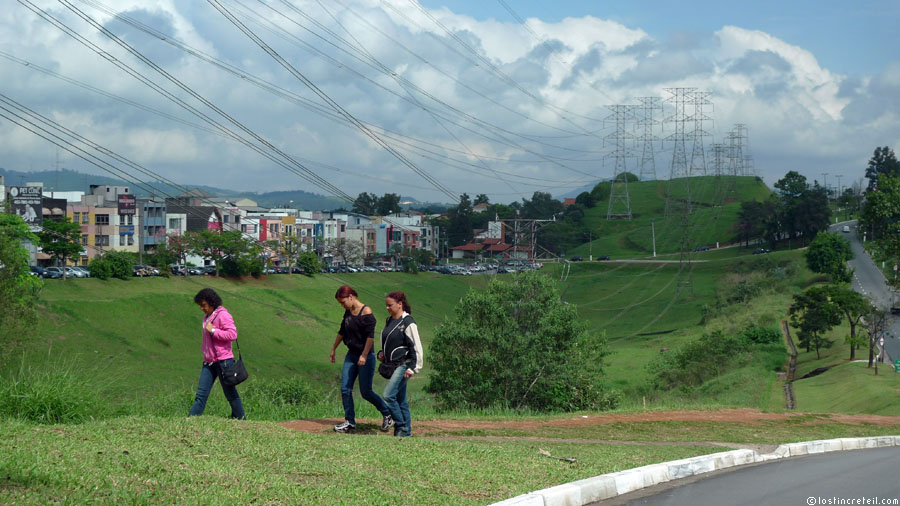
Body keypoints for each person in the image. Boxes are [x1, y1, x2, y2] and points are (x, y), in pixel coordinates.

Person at [330, 285, 394, 434]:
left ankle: (387, 414)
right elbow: (342, 330)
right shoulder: (348, 311)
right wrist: (333, 349)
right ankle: (350, 423)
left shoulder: (366, 312)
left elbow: (370, 337)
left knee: (366, 392)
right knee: (345, 389)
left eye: (343, 302)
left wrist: (364, 355)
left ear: (351, 297)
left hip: (366, 356)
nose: (342, 305)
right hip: (351, 355)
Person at [189, 288, 245, 419]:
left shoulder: (223, 315)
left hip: (223, 361)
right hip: (208, 362)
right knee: (201, 394)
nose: (202, 308)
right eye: (200, 306)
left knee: (230, 393)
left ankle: (241, 419)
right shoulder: (207, 316)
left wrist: (214, 330)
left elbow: (232, 334)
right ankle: (191, 419)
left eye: (203, 305)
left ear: (211, 302)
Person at [378, 290, 423, 437]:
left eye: (390, 305)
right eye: (386, 305)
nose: (387, 308)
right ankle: (406, 434)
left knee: (388, 395)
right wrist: (382, 353)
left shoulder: (408, 322)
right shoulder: (389, 320)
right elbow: (389, 341)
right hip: (393, 364)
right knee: (400, 400)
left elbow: (416, 347)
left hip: (404, 364)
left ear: (400, 304)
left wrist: (414, 368)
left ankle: (402, 426)